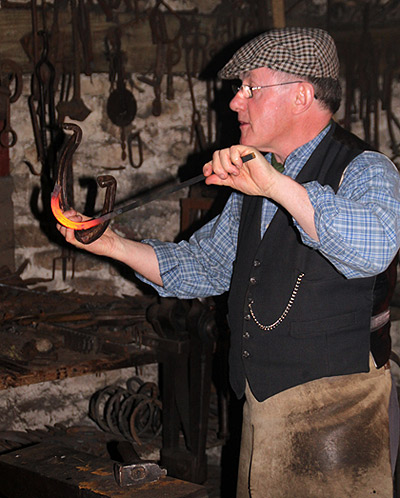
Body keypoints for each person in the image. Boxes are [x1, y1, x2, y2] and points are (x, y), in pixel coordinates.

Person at [58, 27, 400, 497]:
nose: (235, 102)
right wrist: (110, 244)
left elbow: (374, 248)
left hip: (339, 423)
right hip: (261, 414)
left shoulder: (366, 169)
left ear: (301, 95)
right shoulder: (262, 175)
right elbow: (204, 265)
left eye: (250, 89)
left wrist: (275, 187)